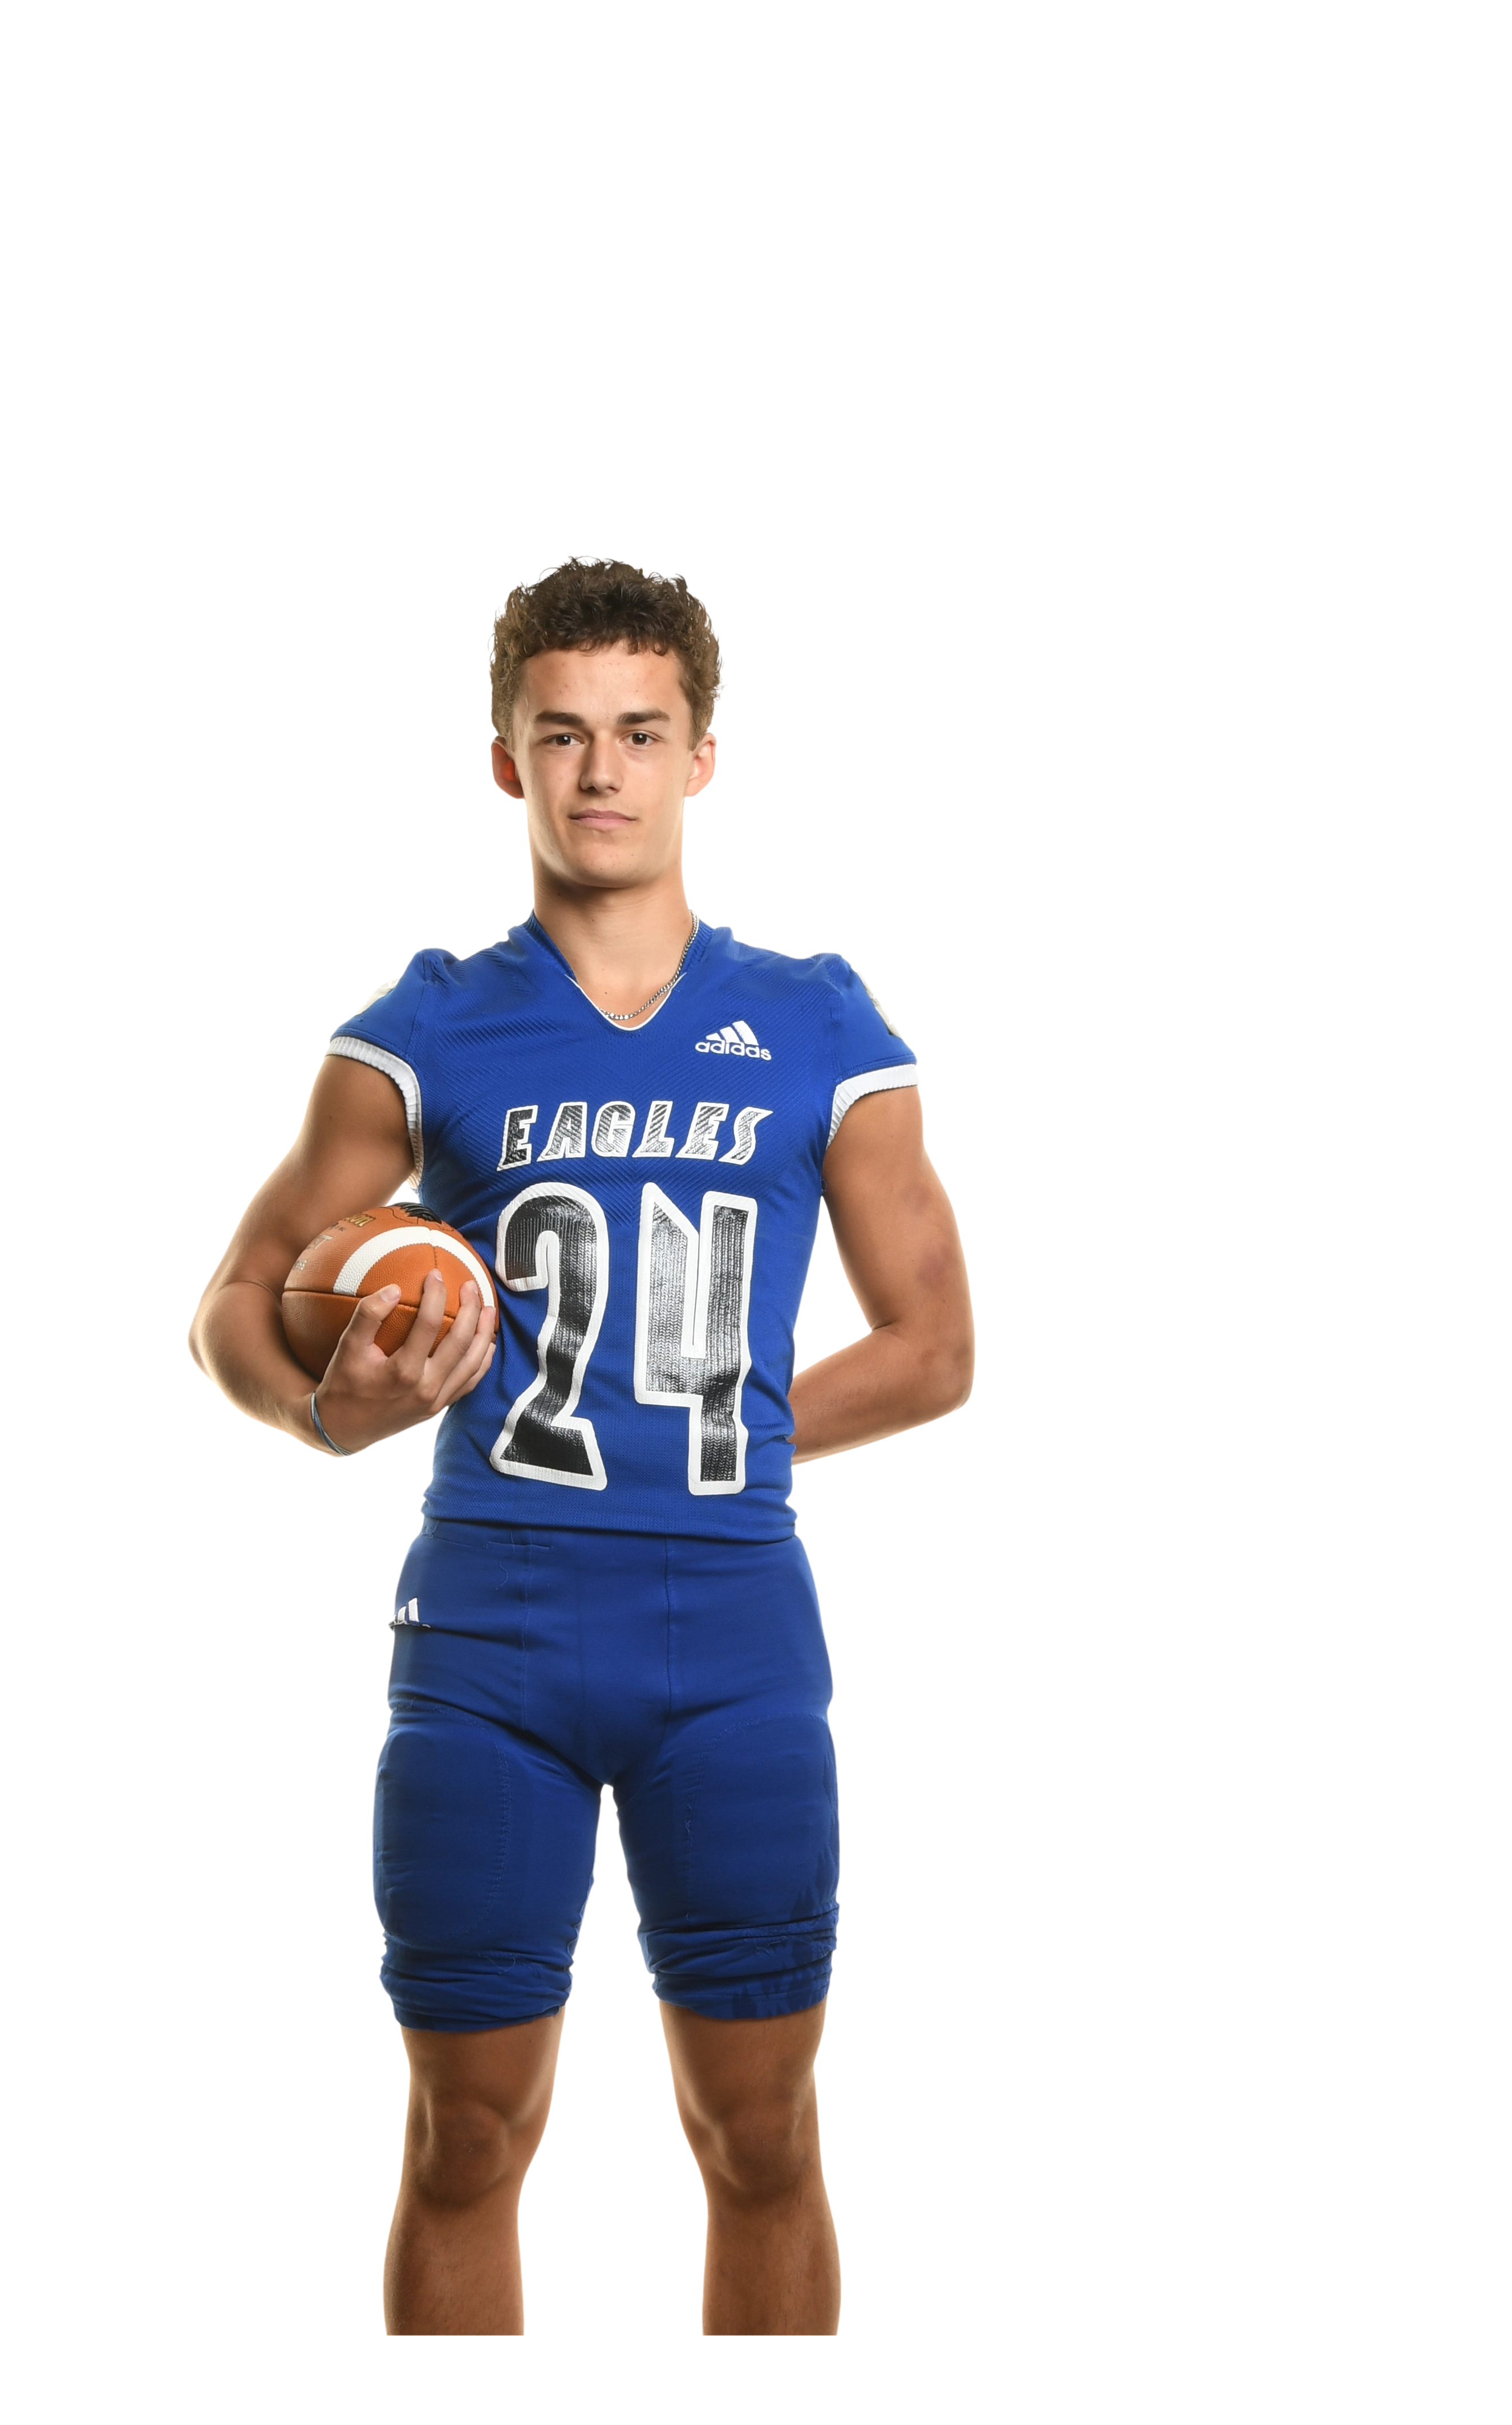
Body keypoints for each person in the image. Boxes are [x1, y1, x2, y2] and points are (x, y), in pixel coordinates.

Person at [189, 555, 973, 2335]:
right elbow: (236, 1298)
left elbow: (936, 1349)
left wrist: (717, 1436)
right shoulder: (425, 1028)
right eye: (561, 734)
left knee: (760, 2135)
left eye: (640, 730)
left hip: (733, 1634)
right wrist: (325, 1409)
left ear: (704, 754)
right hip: (491, 1633)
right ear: (507, 758)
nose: (601, 769)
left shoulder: (821, 1022)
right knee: (465, 2140)